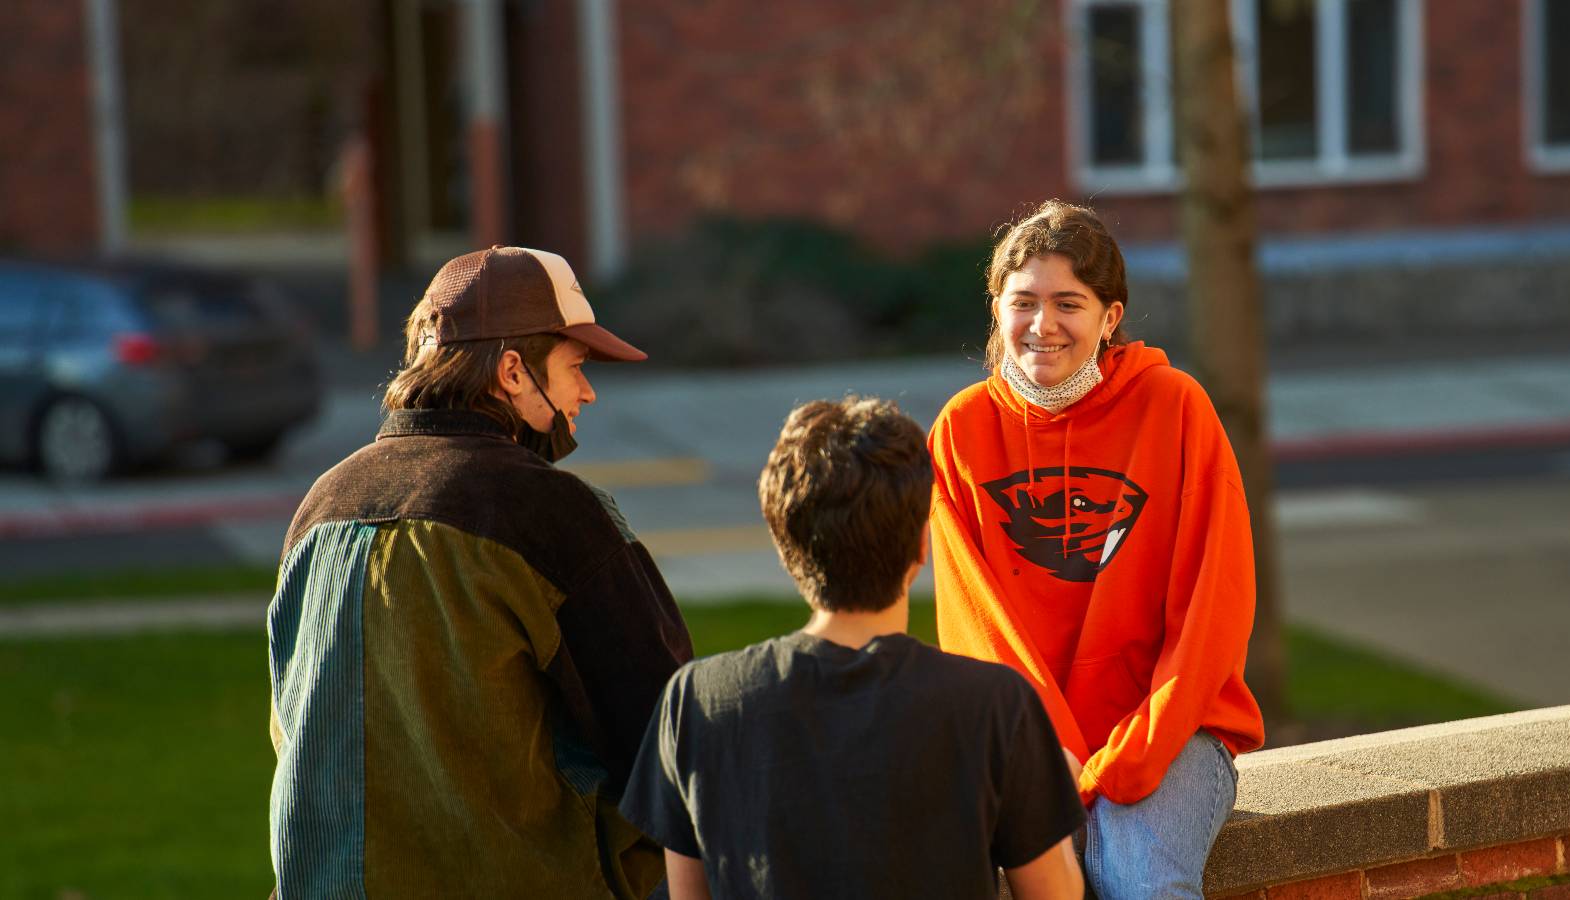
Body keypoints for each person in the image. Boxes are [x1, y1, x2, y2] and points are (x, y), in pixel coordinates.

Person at [267, 246, 693, 897]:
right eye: (576, 366)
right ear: (514, 370)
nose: (587, 391)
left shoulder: (321, 504)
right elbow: (667, 746)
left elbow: (290, 729)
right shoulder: (552, 514)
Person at [927, 200, 1265, 898]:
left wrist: (1127, 763)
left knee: (1141, 882)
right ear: (995, 308)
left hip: (1174, 737)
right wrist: (1054, 760)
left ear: (1110, 317)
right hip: (1027, 744)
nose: (1042, 326)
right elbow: (978, 634)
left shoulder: (1175, 409)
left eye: (1068, 304)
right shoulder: (960, 433)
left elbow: (1213, 612)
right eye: (1022, 302)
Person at [620, 396, 1087, 899]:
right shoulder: (996, 706)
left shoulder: (698, 702)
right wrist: (1052, 784)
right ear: (921, 546)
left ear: (784, 544)